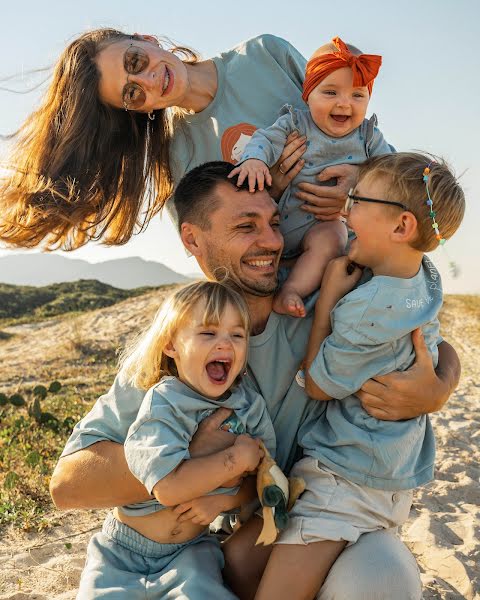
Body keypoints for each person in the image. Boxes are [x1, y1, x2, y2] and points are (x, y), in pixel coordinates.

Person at [52, 162, 461, 600]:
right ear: (193, 239)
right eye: (246, 226)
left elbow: (423, 327)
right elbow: (68, 485)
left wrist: (441, 385)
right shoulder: (184, 341)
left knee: (384, 577)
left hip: (328, 517)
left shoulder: (325, 299)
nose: (270, 241)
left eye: (274, 223)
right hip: (223, 548)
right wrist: (198, 457)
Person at [254, 152, 465, 599]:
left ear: (402, 227)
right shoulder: (426, 278)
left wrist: (328, 296)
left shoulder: (367, 308)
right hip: (394, 480)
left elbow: (317, 383)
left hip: (343, 482)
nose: (346, 210)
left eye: (356, 199)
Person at [0, 29, 355, 250]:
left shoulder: (266, 55)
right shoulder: (178, 160)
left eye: (135, 60)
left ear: (146, 39)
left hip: (381, 246)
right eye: (132, 94)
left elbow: (356, 128)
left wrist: (358, 187)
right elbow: (217, 262)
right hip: (302, 294)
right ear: (137, 111)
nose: (151, 81)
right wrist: (270, 195)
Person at [76, 280, 275, 598]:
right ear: (171, 346)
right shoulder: (164, 401)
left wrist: (222, 501)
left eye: (237, 335)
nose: (225, 344)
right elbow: (169, 488)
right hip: (123, 551)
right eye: (208, 333)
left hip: (191, 549)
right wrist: (234, 460)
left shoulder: (250, 407)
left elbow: (265, 482)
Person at [230, 37, 392, 318]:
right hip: (281, 223)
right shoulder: (295, 122)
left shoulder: (368, 136)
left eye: (357, 95)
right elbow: (265, 140)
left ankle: (291, 291)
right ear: (308, 95)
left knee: (334, 237)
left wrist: (364, 179)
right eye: (331, 92)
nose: (344, 103)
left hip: (324, 230)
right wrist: (255, 159)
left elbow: (394, 170)